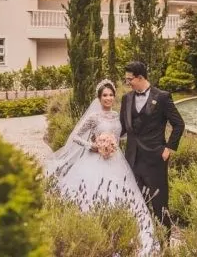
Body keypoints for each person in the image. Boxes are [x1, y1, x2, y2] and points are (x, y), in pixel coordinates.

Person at [44, 79, 160, 256]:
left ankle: (123, 232)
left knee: (121, 193)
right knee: (93, 194)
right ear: (99, 98)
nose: (108, 98)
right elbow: (76, 137)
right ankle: (94, 234)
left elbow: (122, 134)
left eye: (111, 95)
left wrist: (114, 143)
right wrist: (93, 145)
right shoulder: (93, 117)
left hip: (116, 160)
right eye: (105, 95)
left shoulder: (118, 115)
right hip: (94, 160)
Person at [120, 61, 185, 239]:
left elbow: (179, 124)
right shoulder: (126, 99)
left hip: (155, 159)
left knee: (160, 205)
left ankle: (165, 245)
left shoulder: (162, 97)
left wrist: (169, 149)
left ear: (140, 77)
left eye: (129, 79)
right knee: (136, 203)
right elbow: (122, 128)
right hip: (132, 159)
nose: (128, 83)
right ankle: (144, 243)